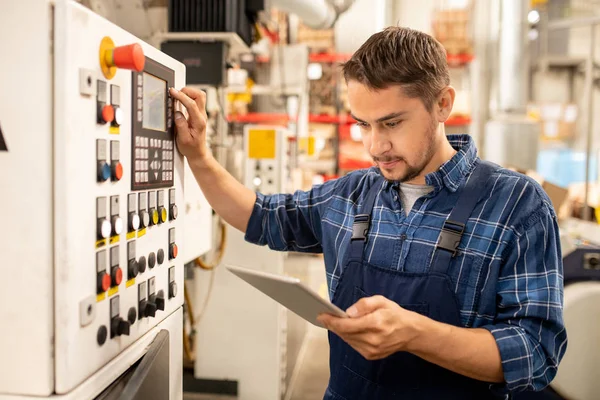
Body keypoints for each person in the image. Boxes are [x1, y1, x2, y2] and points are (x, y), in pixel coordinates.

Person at [169, 26, 567, 400]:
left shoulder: (517, 205)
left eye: (392, 123)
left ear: (442, 104)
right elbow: (261, 216)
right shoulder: (352, 195)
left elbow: (536, 351)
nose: (376, 146)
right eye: (363, 124)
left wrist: (415, 334)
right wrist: (198, 156)